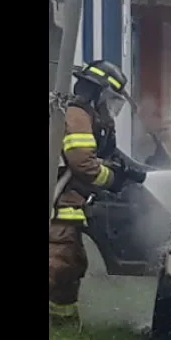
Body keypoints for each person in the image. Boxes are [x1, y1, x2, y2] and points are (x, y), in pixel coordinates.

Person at [49, 60, 147, 326]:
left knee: (72, 264)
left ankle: (63, 324)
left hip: (67, 204)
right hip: (59, 203)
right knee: (60, 263)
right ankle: (59, 327)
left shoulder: (89, 117)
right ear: (96, 92)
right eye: (110, 98)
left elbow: (101, 154)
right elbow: (82, 163)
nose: (111, 107)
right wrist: (113, 179)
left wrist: (133, 169)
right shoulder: (77, 115)